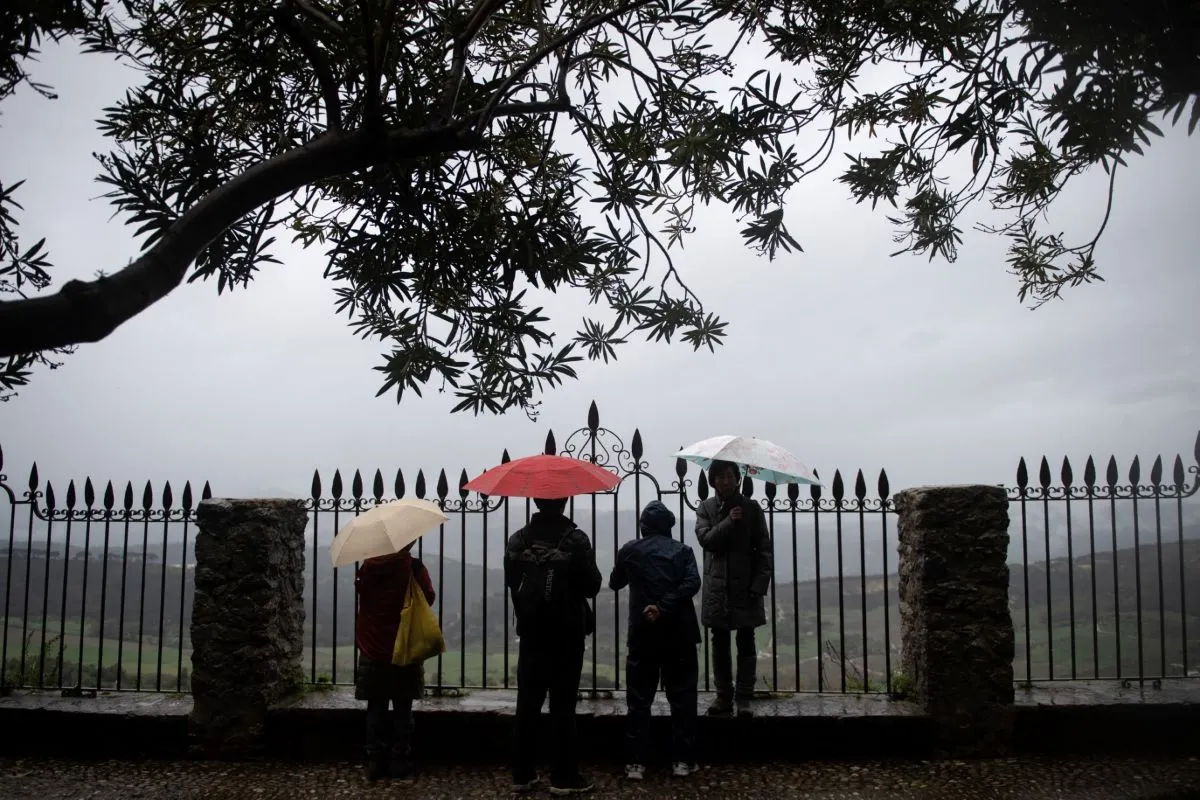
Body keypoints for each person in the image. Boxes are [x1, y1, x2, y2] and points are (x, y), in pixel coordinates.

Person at [505, 496, 602, 796]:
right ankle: (563, 775)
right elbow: (592, 585)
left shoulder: (517, 539)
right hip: (566, 633)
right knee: (563, 705)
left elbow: (512, 580)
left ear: (536, 500)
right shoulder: (576, 539)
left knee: (527, 703)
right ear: (564, 501)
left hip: (532, 631)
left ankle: (522, 774)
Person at [609, 500, 702, 781]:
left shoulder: (630, 550)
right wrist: (665, 605)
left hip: (643, 633)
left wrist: (654, 604)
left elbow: (615, 583)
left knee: (639, 700)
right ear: (669, 526)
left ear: (643, 526)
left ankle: (636, 762)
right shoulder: (683, 551)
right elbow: (692, 584)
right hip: (680, 633)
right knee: (683, 698)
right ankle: (682, 761)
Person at [695, 459, 773, 718]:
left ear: (738, 479)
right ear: (713, 481)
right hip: (717, 589)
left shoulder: (751, 508)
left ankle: (744, 698)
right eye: (719, 477)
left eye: (729, 476)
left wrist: (759, 585)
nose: (725, 481)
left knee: (746, 642)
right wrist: (729, 521)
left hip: (745, 587)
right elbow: (706, 540)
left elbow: (764, 550)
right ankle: (723, 696)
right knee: (719, 644)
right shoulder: (706, 508)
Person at [354, 544, 436, 782]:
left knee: (375, 707)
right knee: (403, 708)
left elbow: (363, 594)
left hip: (372, 646)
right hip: (404, 645)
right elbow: (428, 597)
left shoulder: (368, 566)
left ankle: (374, 761)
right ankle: (400, 762)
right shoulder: (414, 567)